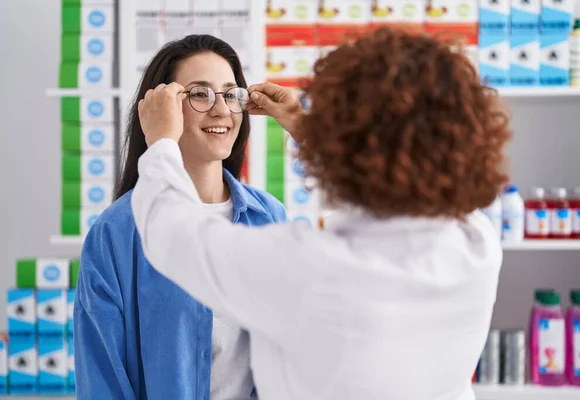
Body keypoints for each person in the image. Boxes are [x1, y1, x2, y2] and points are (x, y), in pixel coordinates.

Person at [132, 28, 511, 400]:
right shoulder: (476, 243)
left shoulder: (312, 268)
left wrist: (162, 141)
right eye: (199, 93)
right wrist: (307, 126)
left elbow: (171, 232)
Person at [73, 34, 287, 400]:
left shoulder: (269, 217)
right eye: (200, 94)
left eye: (231, 94)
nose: (221, 110)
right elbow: (102, 375)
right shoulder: (119, 231)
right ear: (162, 109)